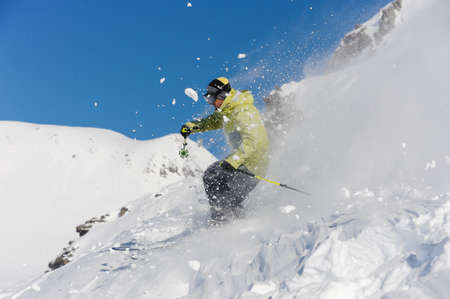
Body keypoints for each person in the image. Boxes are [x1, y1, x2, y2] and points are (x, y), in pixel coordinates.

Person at [180, 77, 270, 221]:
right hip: (243, 161)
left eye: (212, 99)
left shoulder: (242, 111)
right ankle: (227, 217)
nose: (211, 103)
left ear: (222, 96)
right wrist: (192, 127)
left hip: (254, 164)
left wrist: (233, 161)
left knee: (221, 186)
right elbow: (213, 121)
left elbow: (253, 140)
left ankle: (229, 222)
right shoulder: (227, 110)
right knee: (212, 175)